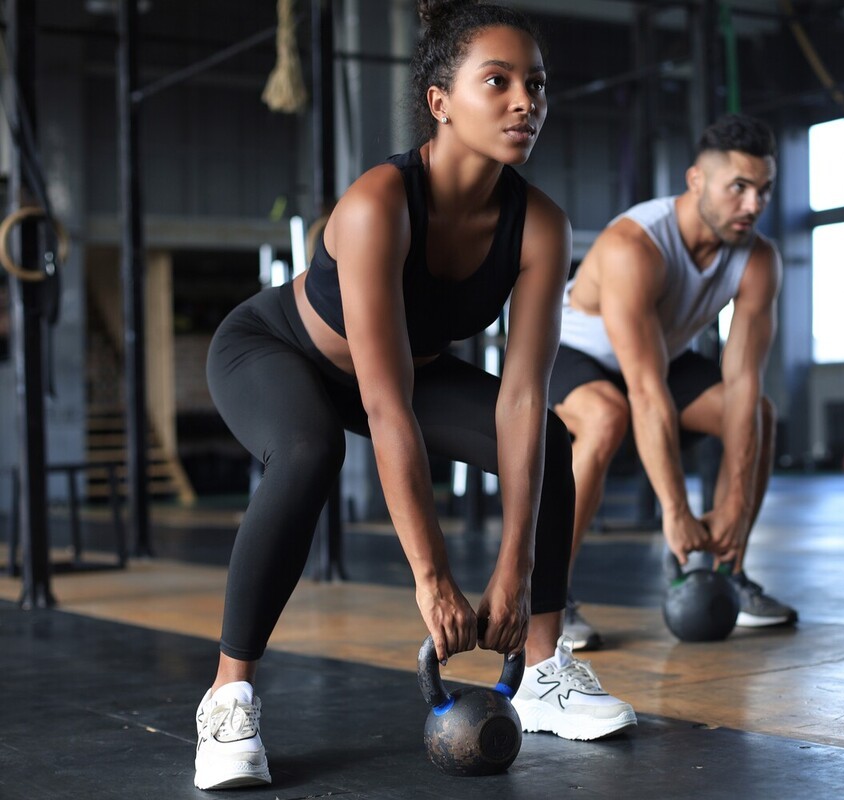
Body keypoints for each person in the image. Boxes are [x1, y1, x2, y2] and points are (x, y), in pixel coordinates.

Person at [193, 1, 635, 790]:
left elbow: (520, 398)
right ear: (440, 101)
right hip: (276, 350)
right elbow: (385, 405)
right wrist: (432, 579)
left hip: (408, 369)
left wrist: (513, 570)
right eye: (497, 81)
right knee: (308, 451)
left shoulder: (539, 225)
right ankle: (228, 697)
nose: (525, 102)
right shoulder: (379, 204)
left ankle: (542, 669)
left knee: (551, 438)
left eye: (535, 84)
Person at [549, 113, 797, 651]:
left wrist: (733, 506)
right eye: (738, 188)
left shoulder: (758, 259)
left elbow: (744, 383)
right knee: (607, 415)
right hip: (574, 352)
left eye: (764, 190)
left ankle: (730, 571)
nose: (753, 205)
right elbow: (646, 391)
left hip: (661, 357)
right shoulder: (634, 246)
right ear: (696, 180)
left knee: (759, 411)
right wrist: (677, 511)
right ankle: (548, 597)